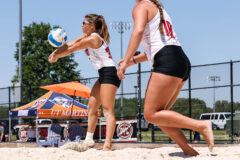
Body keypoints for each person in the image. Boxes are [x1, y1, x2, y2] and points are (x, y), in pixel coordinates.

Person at [117, 0, 214, 156]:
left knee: (150, 114)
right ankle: (188, 150)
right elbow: (155, 47)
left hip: (168, 61)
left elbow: (138, 31)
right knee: (161, 115)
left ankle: (201, 125)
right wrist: (131, 61)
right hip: (180, 60)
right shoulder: (158, 8)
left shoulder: (141, 7)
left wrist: (123, 63)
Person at [49, 14, 121, 151]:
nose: (81, 25)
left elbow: (73, 49)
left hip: (110, 74)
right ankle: (89, 141)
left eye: (84, 23)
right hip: (102, 75)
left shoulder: (93, 39)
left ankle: (107, 145)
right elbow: (70, 44)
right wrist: (55, 52)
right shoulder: (87, 37)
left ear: (91, 26)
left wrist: (57, 56)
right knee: (91, 108)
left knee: (107, 110)